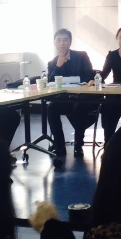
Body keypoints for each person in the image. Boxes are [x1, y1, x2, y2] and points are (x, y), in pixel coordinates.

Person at [46, 28, 97, 158]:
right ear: (54, 43)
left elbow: (89, 75)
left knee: (79, 107)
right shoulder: (52, 63)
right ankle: (59, 146)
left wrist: (78, 90)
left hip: (82, 97)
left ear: (70, 42)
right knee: (51, 108)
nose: (62, 43)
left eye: (65, 40)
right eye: (58, 40)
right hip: (65, 99)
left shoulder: (81, 56)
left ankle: (78, 146)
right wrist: (58, 66)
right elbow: (50, 83)